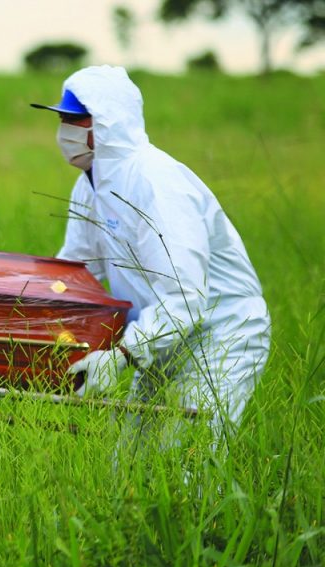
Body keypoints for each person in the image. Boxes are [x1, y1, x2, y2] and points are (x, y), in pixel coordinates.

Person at [31, 65, 270, 439]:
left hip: (219, 333)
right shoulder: (91, 183)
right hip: (160, 341)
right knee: (130, 468)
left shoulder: (156, 184)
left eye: (74, 120)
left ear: (106, 123)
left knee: (189, 465)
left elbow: (187, 297)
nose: (64, 131)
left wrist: (122, 356)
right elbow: (76, 273)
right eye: (62, 119)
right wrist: (26, 320)